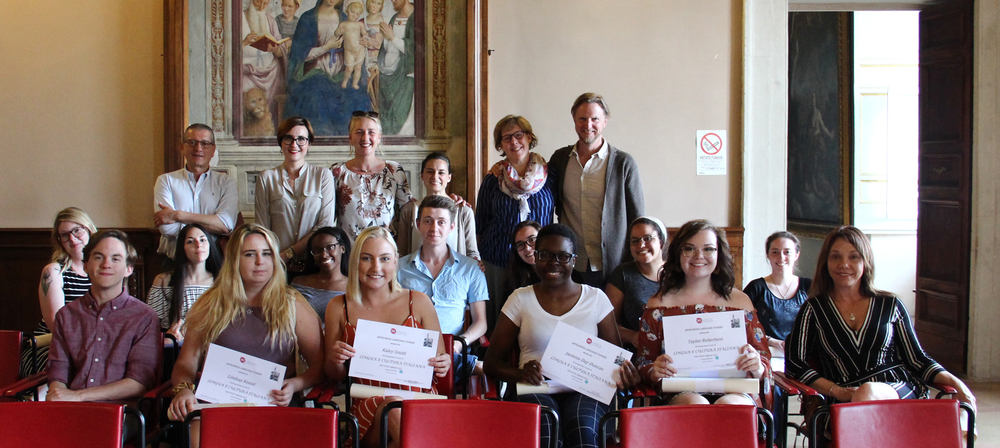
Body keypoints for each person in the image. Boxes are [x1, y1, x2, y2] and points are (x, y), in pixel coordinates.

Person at [484, 224, 639, 448]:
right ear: (536, 257)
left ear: (574, 260)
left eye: (563, 256)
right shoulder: (520, 299)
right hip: (537, 387)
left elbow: (614, 361)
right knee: (546, 426)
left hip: (586, 388)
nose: (553, 262)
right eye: (545, 255)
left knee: (582, 426)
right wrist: (520, 373)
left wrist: (625, 374)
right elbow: (491, 363)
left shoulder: (595, 299)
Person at [786, 226, 975, 408]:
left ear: (866, 262)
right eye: (836, 256)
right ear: (825, 262)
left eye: (853, 257)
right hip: (843, 399)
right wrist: (837, 391)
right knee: (863, 395)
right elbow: (795, 364)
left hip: (896, 390)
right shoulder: (813, 309)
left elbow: (917, 359)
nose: (844, 264)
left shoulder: (890, 304)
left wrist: (958, 384)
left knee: (961, 408)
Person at [167, 224, 325, 424]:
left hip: (275, 406)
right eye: (250, 254)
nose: (260, 261)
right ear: (234, 260)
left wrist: (295, 384)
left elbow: (320, 366)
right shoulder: (210, 303)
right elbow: (186, 362)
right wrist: (183, 390)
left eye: (267, 253)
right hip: (218, 407)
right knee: (200, 432)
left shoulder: (293, 304)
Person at [324, 226, 450, 448]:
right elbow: (334, 376)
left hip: (418, 399)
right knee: (393, 407)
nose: (376, 267)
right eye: (366, 258)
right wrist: (335, 360)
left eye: (384, 259)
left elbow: (441, 366)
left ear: (395, 261)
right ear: (355, 262)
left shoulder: (419, 302)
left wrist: (443, 362)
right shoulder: (338, 307)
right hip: (369, 405)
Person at [635, 220, 771, 407]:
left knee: (731, 405)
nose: (699, 256)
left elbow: (764, 359)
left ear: (719, 255)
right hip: (681, 391)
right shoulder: (658, 305)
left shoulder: (741, 302)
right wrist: (654, 370)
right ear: (677, 254)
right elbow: (644, 361)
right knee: (694, 403)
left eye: (708, 249)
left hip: (736, 389)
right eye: (689, 249)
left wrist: (757, 366)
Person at [47, 230, 160, 402]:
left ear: (129, 269)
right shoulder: (67, 314)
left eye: (115, 259)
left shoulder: (144, 317)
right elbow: (58, 371)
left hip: (120, 411)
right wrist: (58, 396)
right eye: (99, 257)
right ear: (86, 265)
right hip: (71, 408)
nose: (106, 264)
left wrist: (78, 396)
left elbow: (139, 382)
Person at [548, 93, 644, 288]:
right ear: (574, 120)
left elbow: (637, 217)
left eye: (595, 119)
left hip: (613, 266)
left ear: (605, 121)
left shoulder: (623, 163)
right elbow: (539, 191)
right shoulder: (560, 159)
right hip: (571, 264)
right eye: (582, 118)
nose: (588, 124)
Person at [476, 115, 555, 334]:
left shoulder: (549, 175)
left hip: (538, 263)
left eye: (518, 135)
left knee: (536, 325)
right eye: (507, 138)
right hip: (497, 262)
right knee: (498, 324)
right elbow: (480, 225)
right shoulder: (492, 179)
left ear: (529, 137)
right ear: (501, 145)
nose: (514, 142)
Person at [397, 196, 489, 377]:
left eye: (441, 222)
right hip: (409, 347)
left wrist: (460, 343)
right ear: (418, 224)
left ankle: (464, 363)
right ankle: (472, 366)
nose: (434, 228)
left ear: (451, 227)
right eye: (428, 221)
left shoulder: (471, 269)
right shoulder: (398, 268)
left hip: (453, 346)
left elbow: (481, 322)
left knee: (447, 359)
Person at [24, 207, 98, 377]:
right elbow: (57, 325)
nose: (72, 238)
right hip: (48, 347)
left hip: (94, 345)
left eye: (77, 230)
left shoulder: (106, 270)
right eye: (64, 235)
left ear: (89, 229)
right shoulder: (54, 272)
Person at [255, 117, 337, 267]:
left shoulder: (323, 176)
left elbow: (325, 225)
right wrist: (275, 260)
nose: (294, 144)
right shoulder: (266, 178)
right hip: (277, 264)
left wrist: (289, 254)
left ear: (309, 143)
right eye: (288, 138)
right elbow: (262, 229)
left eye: (301, 139)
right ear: (281, 142)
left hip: (315, 263)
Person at [153, 124, 239, 264]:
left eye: (205, 143)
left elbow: (225, 225)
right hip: (174, 262)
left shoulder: (226, 183)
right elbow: (168, 229)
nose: (198, 148)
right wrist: (212, 224)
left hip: (215, 263)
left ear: (213, 150)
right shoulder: (166, 181)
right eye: (192, 142)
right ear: (182, 147)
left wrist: (178, 215)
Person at [285, 0, 372, 135]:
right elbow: (299, 55)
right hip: (314, 73)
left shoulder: (345, 17)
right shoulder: (308, 18)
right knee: (317, 95)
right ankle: (323, 139)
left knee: (355, 96)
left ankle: (349, 140)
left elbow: (356, 45)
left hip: (341, 73)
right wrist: (326, 47)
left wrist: (362, 42)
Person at [331, 111, 413, 241]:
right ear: (350, 137)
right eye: (359, 132)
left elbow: (408, 213)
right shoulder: (338, 172)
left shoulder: (394, 171)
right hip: (350, 251)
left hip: (385, 249)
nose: (365, 138)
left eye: (371, 132)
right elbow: (328, 215)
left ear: (379, 137)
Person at [394, 152, 479, 259]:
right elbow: (401, 252)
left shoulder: (464, 211)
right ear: (422, 176)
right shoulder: (409, 210)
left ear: (449, 177)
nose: (435, 176)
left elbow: (472, 253)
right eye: (430, 171)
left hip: (456, 270)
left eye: (441, 173)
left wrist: (476, 266)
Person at [147, 224, 223, 342]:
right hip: (173, 346)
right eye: (190, 241)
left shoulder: (221, 281)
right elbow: (149, 326)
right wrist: (168, 337)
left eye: (203, 240)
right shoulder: (164, 280)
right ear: (182, 248)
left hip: (211, 345)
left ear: (210, 245)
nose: (198, 245)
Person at [743, 231, 811, 354]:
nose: (781, 257)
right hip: (764, 355)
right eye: (775, 252)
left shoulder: (809, 287)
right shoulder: (756, 288)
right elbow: (741, 325)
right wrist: (771, 341)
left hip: (802, 356)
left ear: (796, 255)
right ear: (768, 255)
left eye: (787, 252)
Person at [605, 216, 667, 351]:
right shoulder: (623, 273)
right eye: (635, 241)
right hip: (637, 353)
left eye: (648, 238)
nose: (641, 245)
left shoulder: (678, 273)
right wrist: (633, 337)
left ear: (661, 242)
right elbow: (607, 323)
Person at [291, 226, 352, 319]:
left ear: (342, 248)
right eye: (317, 250)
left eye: (330, 247)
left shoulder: (354, 286)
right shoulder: (299, 283)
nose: (324, 254)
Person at [375, 0, 415, 135]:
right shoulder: (394, 18)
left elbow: (415, 50)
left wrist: (392, 37)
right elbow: (387, 48)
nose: (392, 0)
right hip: (388, 75)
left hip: (405, 76)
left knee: (400, 114)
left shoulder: (417, 19)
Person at [500, 220, 540, 311]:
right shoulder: (514, 280)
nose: (527, 248)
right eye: (520, 244)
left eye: (532, 240)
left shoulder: (561, 274)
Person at [336, 0, 368, 90]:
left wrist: (365, 38)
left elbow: (365, 34)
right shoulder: (343, 24)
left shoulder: (360, 24)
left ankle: (355, 83)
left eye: (357, 14)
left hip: (360, 49)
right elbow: (336, 34)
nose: (354, 15)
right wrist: (339, 32)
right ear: (347, 11)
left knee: (358, 68)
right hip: (349, 51)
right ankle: (345, 82)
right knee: (349, 68)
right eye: (352, 12)